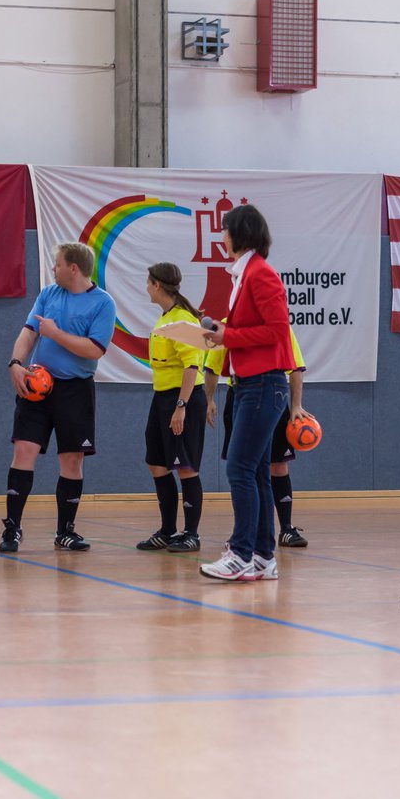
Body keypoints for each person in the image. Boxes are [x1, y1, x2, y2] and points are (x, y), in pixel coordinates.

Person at [198, 204, 296, 581]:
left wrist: (228, 336)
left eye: (224, 231)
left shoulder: (261, 275)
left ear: (239, 233)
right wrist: (220, 337)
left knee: (239, 468)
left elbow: (277, 331)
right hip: (248, 385)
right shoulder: (244, 274)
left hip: (263, 385)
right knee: (255, 473)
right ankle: (263, 557)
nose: (221, 238)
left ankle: (240, 553)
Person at [0, 242, 117, 553]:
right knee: (23, 451)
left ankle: (65, 531)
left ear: (73, 268)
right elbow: (29, 332)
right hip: (37, 386)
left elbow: (95, 350)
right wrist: (15, 364)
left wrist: (56, 334)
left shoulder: (103, 304)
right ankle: (12, 529)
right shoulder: (48, 294)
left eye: (57, 264)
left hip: (75, 391)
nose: (53, 269)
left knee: (72, 459)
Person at [204, 325, 314, 548]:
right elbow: (212, 368)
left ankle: (286, 528)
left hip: (272, 396)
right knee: (244, 468)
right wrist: (209, 400)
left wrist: (296, 406)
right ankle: (246, 531)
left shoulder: (277, 326)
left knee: (278, 465)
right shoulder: (227, 325)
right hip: (240, 396)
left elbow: (295, 368)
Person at [136, 263, 208, 553]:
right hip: (161, 398)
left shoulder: (183, 320)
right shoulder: (164, 318)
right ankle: (168, 530)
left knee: (186, 467)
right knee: (157, 463)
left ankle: (191, 533)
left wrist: (182, 406)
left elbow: (192, 365)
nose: (146, 287)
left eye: (147, 282)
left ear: (156, 285)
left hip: (184, 399)